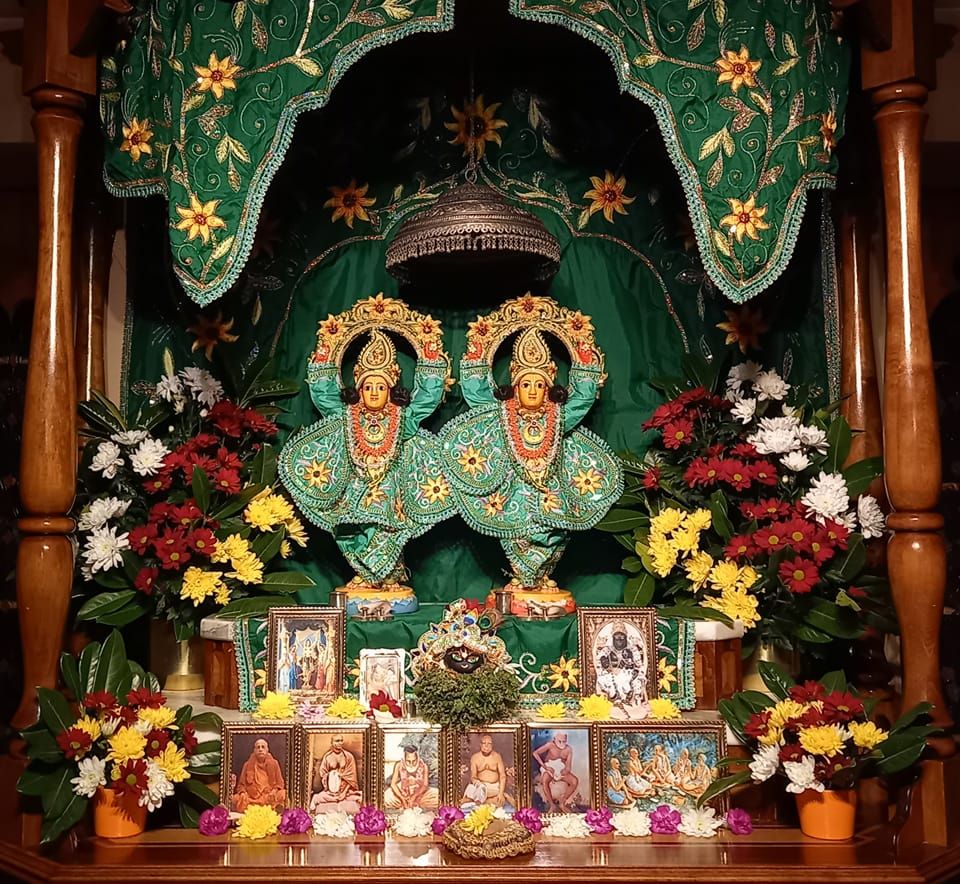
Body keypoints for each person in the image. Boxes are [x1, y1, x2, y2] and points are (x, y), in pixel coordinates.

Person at [309, 734, 363, 814]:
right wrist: (331, 777)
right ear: (332, 743)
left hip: (347, 791)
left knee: (360, 797)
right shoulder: (327, 757)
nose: (340, 743)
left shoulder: (349, 757)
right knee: (317, 798)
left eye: (341, 741)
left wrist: (344, 793)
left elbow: (351, 777)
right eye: (337, 741)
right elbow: (323, 774)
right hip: (331, 792)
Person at [232, 738, 287, 812]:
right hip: (251, 797)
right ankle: (268, 807)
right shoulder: (247, 765)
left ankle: (261, 807)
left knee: (283, 794)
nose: (260, 749)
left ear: (267, 750)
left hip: (268, 796)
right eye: (258, 747)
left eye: (263, 747)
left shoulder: (274, 763)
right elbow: (241, 785)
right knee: (235, 798)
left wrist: (274, 791)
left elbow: (280, 783)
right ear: (254, 750)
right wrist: (243, 793)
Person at [460, 733, 512, 809]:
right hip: (480, 786)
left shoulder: (497, 757)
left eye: (489, 743)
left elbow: (502, 776)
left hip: (494, 787)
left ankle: (475, 802)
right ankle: (478, 801)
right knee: (473, 789)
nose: (486, 746)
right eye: (484, 743)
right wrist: (477, 783)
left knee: (499, 801)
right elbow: (473, 776)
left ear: (492, 745)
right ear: (480, 744)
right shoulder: (475, 757)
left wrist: (501, 793)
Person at [532, 731, 580, 813]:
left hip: (560, 769)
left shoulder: (568, 749)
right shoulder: (550, 745)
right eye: (559, 741)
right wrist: (545, 767)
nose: (562, 743)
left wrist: (565, 771)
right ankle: (552, 805)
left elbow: (568, 766)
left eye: (564, 741)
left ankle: (562, 802)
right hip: (549, 767)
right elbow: (535, 753)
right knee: (545, 780)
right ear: (554, 739)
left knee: (574, 781)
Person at [384, 744, 439, 810]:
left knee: (438, 798)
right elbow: (393, 784)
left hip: (420, 793)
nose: (411, 764)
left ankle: (417, 804)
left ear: (417, 758)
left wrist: (414, 797)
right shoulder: (399, 765)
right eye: (408, 761)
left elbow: (425, 785)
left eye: (414, 761)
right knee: (385, 799)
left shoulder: (424, 766)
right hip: (403, 793)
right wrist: (402, 799)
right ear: (404, 758)